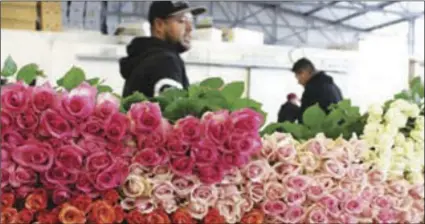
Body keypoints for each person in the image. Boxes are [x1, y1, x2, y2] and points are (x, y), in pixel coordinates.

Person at [120, 1, 206, 98]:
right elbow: (172, 110)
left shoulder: (143, 57)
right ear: (159, 24)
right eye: (182, 21)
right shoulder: (165, 61)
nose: (190, 28)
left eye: (191, 21)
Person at [292, 58, 343, 122]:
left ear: (304, 72)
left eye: (298, 77)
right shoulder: (333, 86)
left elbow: (305, 118)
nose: (299, 82)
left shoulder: (312, 89)